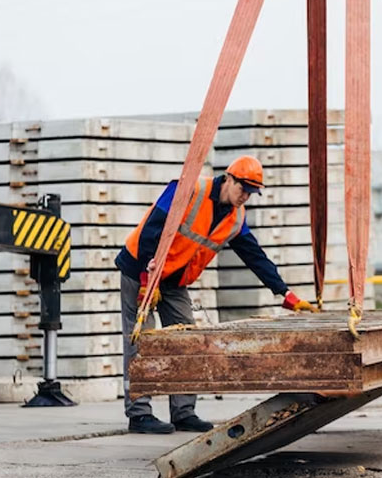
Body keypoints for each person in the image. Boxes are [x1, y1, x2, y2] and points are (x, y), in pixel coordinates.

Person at [115, 155, 317, 434]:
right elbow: (154, 224)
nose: (245, 195)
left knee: (187, 343)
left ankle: (183, 413)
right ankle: (139, 415)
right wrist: (149, 267)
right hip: (141, 269)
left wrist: (285, 293)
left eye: (251, 191)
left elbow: (254, 256)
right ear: (228, 179)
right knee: (142, 341)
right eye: (242, 188)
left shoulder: (235, 218)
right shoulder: (189, 190)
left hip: (173, 281)